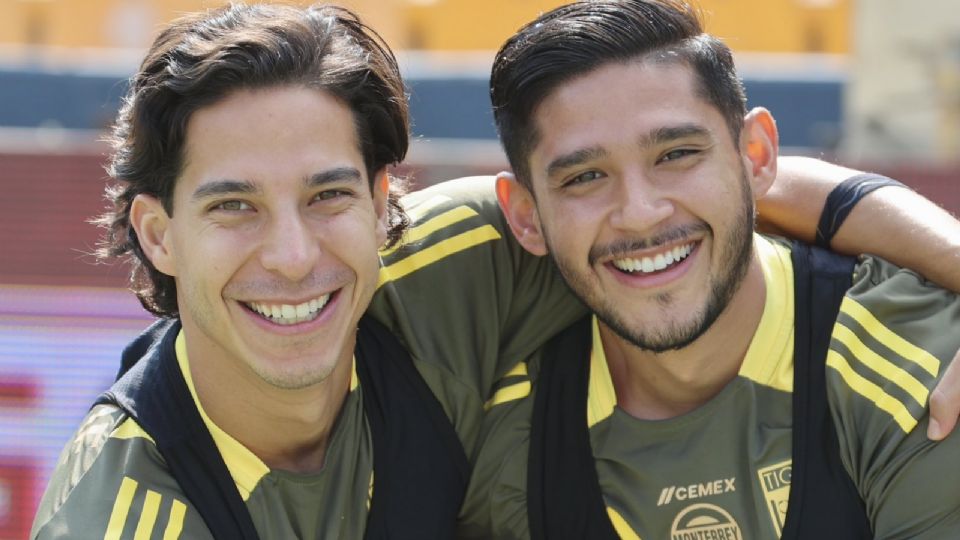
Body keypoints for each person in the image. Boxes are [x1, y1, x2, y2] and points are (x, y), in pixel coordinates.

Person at [30, 2, 960, 539]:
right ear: (157, 234)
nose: (293, 255)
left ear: (382, 200)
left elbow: (719, 196)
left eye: (327, 196)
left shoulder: (455, 267)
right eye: (233, 207)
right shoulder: (122, 508)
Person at [460, 1, 960, 538]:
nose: (639, 214)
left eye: (676, 154)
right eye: (584, 177)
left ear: (757, 155)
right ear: (526, 216)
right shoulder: (507, 432)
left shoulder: (924, 376)